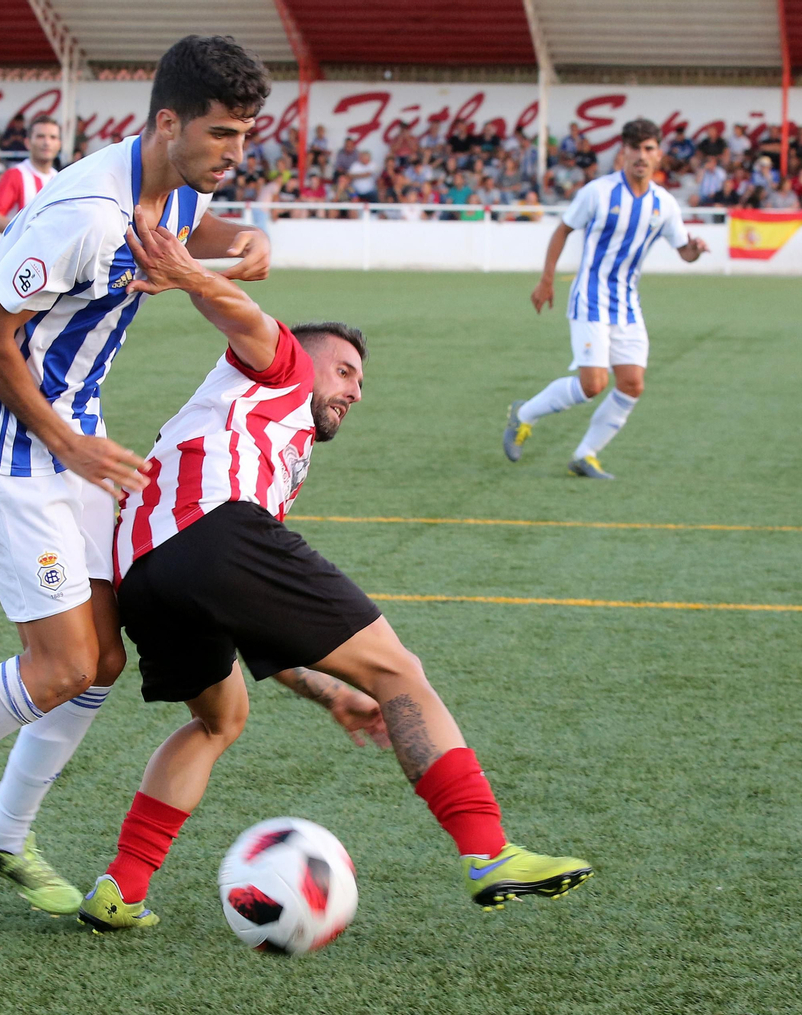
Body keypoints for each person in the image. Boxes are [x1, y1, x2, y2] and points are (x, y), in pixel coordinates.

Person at [0, 35, 284, 919]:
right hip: (11, 440)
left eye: (245, 135)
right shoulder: (86, 216)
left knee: (104, 656)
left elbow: (202, 227)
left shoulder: (178, 181)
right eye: (223, 133)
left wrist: (244, 240)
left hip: (76, 431)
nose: (236, 152)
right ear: (167, 121)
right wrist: (64, 443)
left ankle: (1, 834)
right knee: (64, 660)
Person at [72, 208, 593, 931]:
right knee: (398, 670)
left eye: (359, 379)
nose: (354, 389)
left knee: (219, 719)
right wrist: (192, 273)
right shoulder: (280, 365)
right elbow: (244, 314)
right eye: (344, 371)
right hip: (215, 533)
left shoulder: (265, 446)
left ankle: (121, 886)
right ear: (307, 358)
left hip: (147, 577)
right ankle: (487, 848)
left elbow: (248, 616)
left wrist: (328, 694)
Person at [503, 118, 707, 479]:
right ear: (623, 153)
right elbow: (563, 229)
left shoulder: (665, 204)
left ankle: (586, 455)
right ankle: (524, 414)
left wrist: (695, 248)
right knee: (593, 385)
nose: (641, 156)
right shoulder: (598, 192)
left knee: (632, 384)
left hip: (627, 304)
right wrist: (547, 280)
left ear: (658, 154)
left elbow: (684, 252)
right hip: (590, 298)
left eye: (648, 149)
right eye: (635, 148)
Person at [0, 116, 62, 233]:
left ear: (59, 144)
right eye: (40, 136)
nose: (47, 142)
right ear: (28, 142)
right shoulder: (16, 175)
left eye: (53, 137)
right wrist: (29, 232)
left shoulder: (60, 179)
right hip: (25, 251)